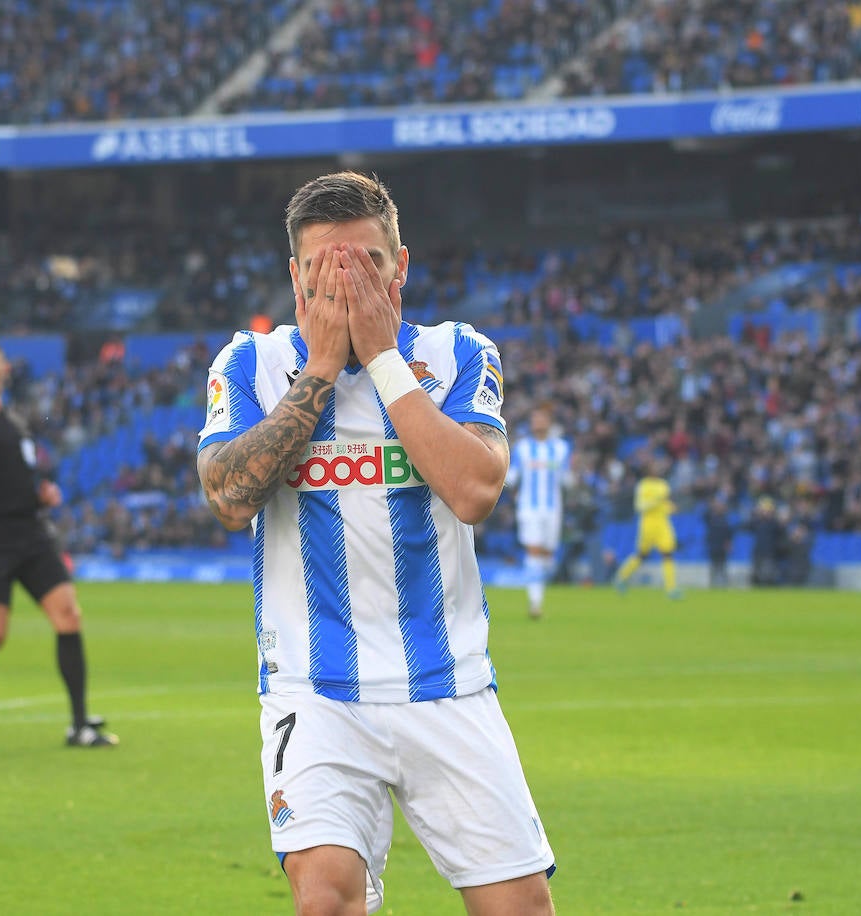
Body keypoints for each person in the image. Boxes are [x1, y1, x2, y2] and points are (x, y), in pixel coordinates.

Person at [197, 171, 555, 915]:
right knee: (326, 900)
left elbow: (474, 491)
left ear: (402, 267)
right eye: (330, 267)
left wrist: (384, 361)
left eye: (368, 264)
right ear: (296, 277)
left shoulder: (457, 352)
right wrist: (323, 369)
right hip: (314, 688)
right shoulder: (252, 365)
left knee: (518, 908)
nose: (350, 282)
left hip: (446, 683)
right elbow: (229, 498)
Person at [0, 337, 116, 748]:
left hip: (31, 533)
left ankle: (79, 724)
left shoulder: (18, 422)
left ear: (4, 369)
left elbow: (18, 477)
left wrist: (40, 495)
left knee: (69, 615)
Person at [506, 404, 572, 618]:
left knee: (547, 555)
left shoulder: (561, 448)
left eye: (541, 418)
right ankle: (535, 604)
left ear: (549, 422)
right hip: (529, 508)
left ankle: (539, 591)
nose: (537, 422)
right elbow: (512, 477)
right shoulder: (523, 448)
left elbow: (566, 479)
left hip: (553, 509)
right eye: (534, 419)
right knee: (533, 551)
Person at [613, 459, 681, 599]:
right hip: (648, 524)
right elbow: (640, 506)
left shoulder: (664, 485)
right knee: (642, 555)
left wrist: (671, 508)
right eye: (654, 466)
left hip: (663, 523)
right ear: (648, 470)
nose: (657, 469)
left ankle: (671, 589)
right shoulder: (643, 485)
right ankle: (620, 577)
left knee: (667, 553)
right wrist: (656, 501)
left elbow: (664, 503)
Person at [703, 496, 734, 587]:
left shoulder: (725, 519)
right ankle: (712, 584)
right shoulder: (711, 518)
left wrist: (729, 544)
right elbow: (704, 514)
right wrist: (712, 505)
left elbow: (729, 534)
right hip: (713, 546)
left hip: (722, 547)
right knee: (713, 566)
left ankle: (724, 584)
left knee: (722, 567)